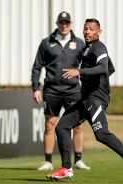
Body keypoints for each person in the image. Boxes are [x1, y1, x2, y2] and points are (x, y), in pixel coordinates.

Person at [46, 18, 123, 183]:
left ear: (99, 32)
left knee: (102, 134)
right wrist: (98, 81)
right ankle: (66, 168)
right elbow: (110, 68)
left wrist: (82, 73)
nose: (87, 32)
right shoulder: (87, 48)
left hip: (96, 98)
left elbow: (102, 68)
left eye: (91, 29)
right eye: (85, 29)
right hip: (86, 98)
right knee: (62, 127)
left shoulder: (99, 47)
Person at [31, 11, 90, 171]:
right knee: (50, 125)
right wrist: (36, 88)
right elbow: (37, 66)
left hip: (73, 90)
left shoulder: (79, 43)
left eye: (67, 22)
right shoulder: (46, 43)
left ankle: (78, 159)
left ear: (70, 24)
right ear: (57, 24)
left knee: (78, 125)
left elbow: (86, 67)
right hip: (51, 90)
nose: (64, 25)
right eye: (61, 22)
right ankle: (48, 161)